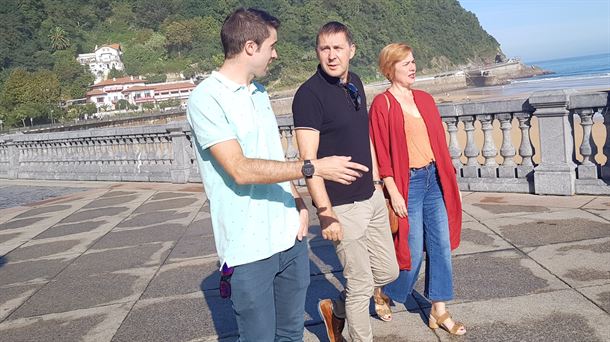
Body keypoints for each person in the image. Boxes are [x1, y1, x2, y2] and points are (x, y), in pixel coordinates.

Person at [187, 9, 369, 341]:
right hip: (248, 248)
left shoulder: (258, 93)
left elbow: (273, 158)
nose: (276, 53)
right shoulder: (206, 98)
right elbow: (240, 169)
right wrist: (312, 168)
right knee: (258, 336)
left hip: (290, 237)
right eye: (272, 45)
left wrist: (299, 203)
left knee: (290, 333)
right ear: (250, 47)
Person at [293, 22, 399, 342]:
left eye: (338, 48)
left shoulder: (355, 82)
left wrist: (378, 181)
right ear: (317, 52)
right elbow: (308, 163)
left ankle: (334, 310)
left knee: (387, 272)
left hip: (371, 195)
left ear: (351, 50)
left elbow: (363, 135)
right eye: (325, 48)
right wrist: (325, 212)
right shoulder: (308, 96)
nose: (332, 55)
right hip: (342, 205)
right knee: (360, 285)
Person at [369, 43, 466, 335]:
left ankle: (439, 310)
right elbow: (380, 152)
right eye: (405, 63)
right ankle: (385, 291)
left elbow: (440, 146)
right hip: (406, 183)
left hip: (435, 179)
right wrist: (392, 188)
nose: (413, 67)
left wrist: (452, 183)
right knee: (410, 252)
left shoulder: (424, 99)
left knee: (441, 247)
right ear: (390, 69)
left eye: (413, 61)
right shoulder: (382, 104)